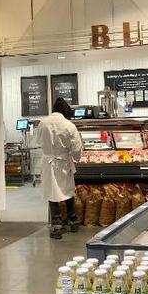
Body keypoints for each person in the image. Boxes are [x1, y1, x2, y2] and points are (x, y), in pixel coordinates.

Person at [36, 97, 83, 239]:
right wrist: (76, 158)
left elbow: (39, 141)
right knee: (67, 191)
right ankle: (72, 220)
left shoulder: (42, 123)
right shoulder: (69, 125)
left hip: (48, 162)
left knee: (52, 194)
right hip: (63, 162)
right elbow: (76, 148)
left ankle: (56, 224)